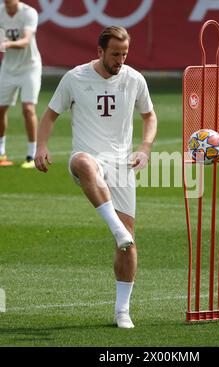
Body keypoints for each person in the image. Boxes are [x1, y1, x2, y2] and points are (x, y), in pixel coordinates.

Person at [34, 26, 157, 328]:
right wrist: (41, 146)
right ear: (99, 51)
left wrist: (144, 147)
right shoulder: (75, 78)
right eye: (115, 54)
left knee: (128, 244)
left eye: (125, 53)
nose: (120, 59)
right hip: (87, 157)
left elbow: (149, 116)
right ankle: (116, 228)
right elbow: (50, 115)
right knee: (85, 164)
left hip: (121, 165)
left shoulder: (135, 79)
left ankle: (122, 311)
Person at [0, 0, 42, 168]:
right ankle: (1, 153)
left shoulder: (28, 13)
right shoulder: (1, 12)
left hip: (29, 67)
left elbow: (25, 41)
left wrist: (6, 44)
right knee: (1, 109)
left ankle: (31, 155)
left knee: (28, 108)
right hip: (8, 69)